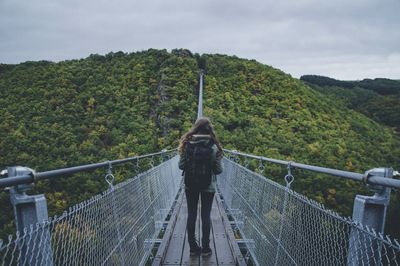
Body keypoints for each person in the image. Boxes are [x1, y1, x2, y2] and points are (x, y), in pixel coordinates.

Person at [178, 117, 223, 256]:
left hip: (190, 185)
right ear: (209, 129)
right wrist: (217, 160)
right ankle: (205, 249)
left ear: (195, 128)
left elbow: (181, 166)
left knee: (191, 215)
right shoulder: (213, 146)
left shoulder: (187, 144)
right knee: (205, 215)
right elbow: (218, 171)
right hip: (208, 186)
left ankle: (193, 248)